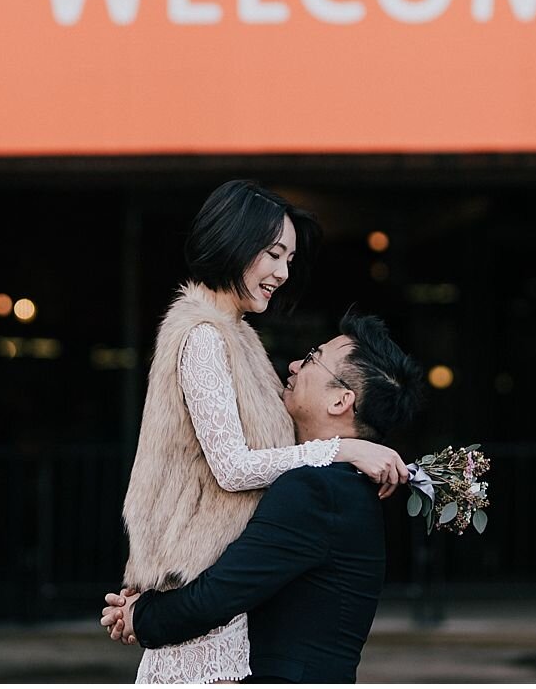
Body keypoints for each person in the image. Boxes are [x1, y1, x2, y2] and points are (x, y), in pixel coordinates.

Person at [120, 181, 409, 684]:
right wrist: (343, 447)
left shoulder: (240, 339)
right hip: (197, 581)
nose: (283, 273)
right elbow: (232, 468)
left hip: (221, 597)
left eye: (290, 260)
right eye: (274, 254)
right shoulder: (205, 337)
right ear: (234, 240)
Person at [104, 312, 425, 683]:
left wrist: (138, 615)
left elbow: (218, 594)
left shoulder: (317, 489)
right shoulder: (339, 481)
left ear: (340, 401)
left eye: (311, 358)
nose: (292, 365)